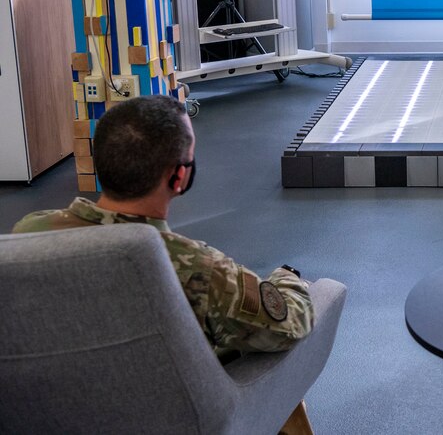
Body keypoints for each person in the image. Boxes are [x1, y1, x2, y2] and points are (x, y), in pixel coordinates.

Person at [13, 95, 315, 434]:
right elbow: (291, 322)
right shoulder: (198, 270)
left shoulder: (29, 232)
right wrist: (287, 279)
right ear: (178, 178)